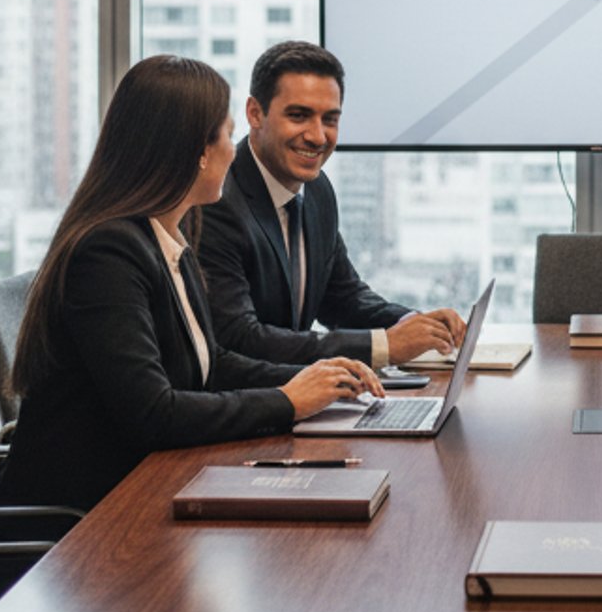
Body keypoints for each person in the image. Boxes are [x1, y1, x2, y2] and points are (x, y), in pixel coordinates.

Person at [0, 53, 383, 612]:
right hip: (63, 550)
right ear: (185, 150)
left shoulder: (163, 238)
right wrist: (289, 400)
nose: (229, 151)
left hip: (128, 514)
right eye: (220, 137)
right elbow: (153, 409)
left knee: (289, 605)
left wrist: (316, 378)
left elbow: (207, 364)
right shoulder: (108, 255)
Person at [197, 40, 467, 371]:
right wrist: (384, 345)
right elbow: (240, 338)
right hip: (255, 404)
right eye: (299, 116)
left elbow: (343, 298)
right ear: (255, 113)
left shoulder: (318, 190)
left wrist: (417, 325)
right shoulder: (217, 200)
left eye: (330, 119)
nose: (318, 136)